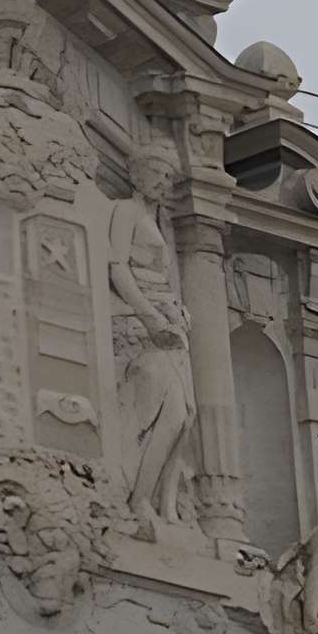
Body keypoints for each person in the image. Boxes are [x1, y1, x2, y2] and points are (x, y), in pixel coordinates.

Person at [107, 145, 197, 533]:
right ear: (138, 174)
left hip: (168, 326)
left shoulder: (155, 219)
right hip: (143, 325)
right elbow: (117, 268)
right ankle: (138, 496)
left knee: (186, 417)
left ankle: (162, 500)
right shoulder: (126, 211)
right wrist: (150, 316)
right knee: (169, 413)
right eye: (158, 175)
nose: (164, 184)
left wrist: (176, 311)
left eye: (168, 178)